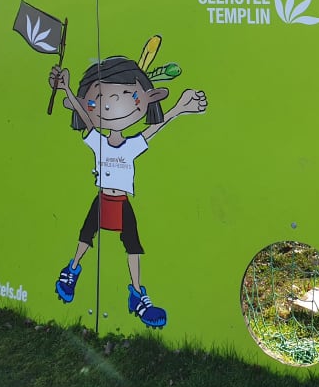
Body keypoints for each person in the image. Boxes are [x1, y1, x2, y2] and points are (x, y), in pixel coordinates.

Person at [48, 55, 207, 328]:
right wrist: (66, 91)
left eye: (127, 95)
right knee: (86, 236)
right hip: (103, 198)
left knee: (133, 246)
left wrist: (180, 108)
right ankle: (72, 270)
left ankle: (137, 294)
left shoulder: (131, 146)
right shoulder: (98, 141)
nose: (111, 105)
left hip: (121, 202)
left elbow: (155, 127)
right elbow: (85, 118)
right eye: (100, 99)